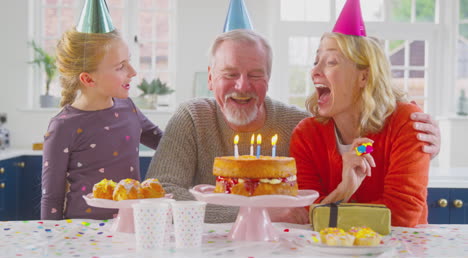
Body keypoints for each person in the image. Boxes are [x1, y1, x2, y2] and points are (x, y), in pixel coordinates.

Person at [146, 29, 440, 223]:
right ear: (210, 77)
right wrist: (255, 214)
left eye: (255, 74)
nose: (242, 85)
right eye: (230, 73)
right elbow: (159, 193)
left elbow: (400, 215)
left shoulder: (297, 125)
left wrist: (421, 147)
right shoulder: (308, 132)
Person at [289, 31, 430, 227]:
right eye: (316, 61)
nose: (315, 72)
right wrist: (344, 190)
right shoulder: (306, 135)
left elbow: (401, 216)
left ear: (364, 77)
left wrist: (327, 212)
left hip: (396, 253)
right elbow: (308, 217)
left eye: (330, 62)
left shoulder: (407, 123)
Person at [41, 28, 163, 220]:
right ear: (88, 79)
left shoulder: (128, 107)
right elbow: (52, 199)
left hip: (131, 225)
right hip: (82, 233)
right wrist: (50, 238)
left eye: (128, 62)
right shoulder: (63, 127)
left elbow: (165, 142)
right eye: (120, 66)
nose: (133, 72)